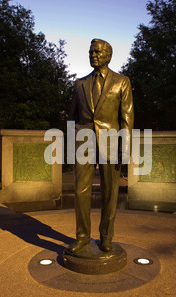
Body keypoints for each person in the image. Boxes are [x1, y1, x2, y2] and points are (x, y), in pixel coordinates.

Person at [68, 39, 134, 253]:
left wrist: (125, 149)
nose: (93, 55)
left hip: (111, 142)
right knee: (80, 191)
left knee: (109, 192)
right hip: (84, 143)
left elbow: (126, 118)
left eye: (97, 52)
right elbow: (72, 117)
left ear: (108, 55)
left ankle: (106, 236)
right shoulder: (79, 84)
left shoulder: (122, 82)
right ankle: (82, 237)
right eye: (90, 52)